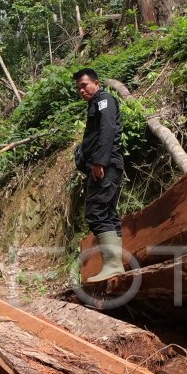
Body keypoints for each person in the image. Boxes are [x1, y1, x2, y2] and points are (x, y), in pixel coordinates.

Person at [73, 67, 126, 283]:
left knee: (96, 212)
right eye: (78, 88)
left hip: (105, 166)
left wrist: (99, 161)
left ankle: (113, 265)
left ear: (96, 83)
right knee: (108, 213)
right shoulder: (96, 104)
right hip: (107, 165)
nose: (82, 90)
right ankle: (116, 265)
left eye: (84, 85)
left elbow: (107, 129)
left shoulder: (105, 100)